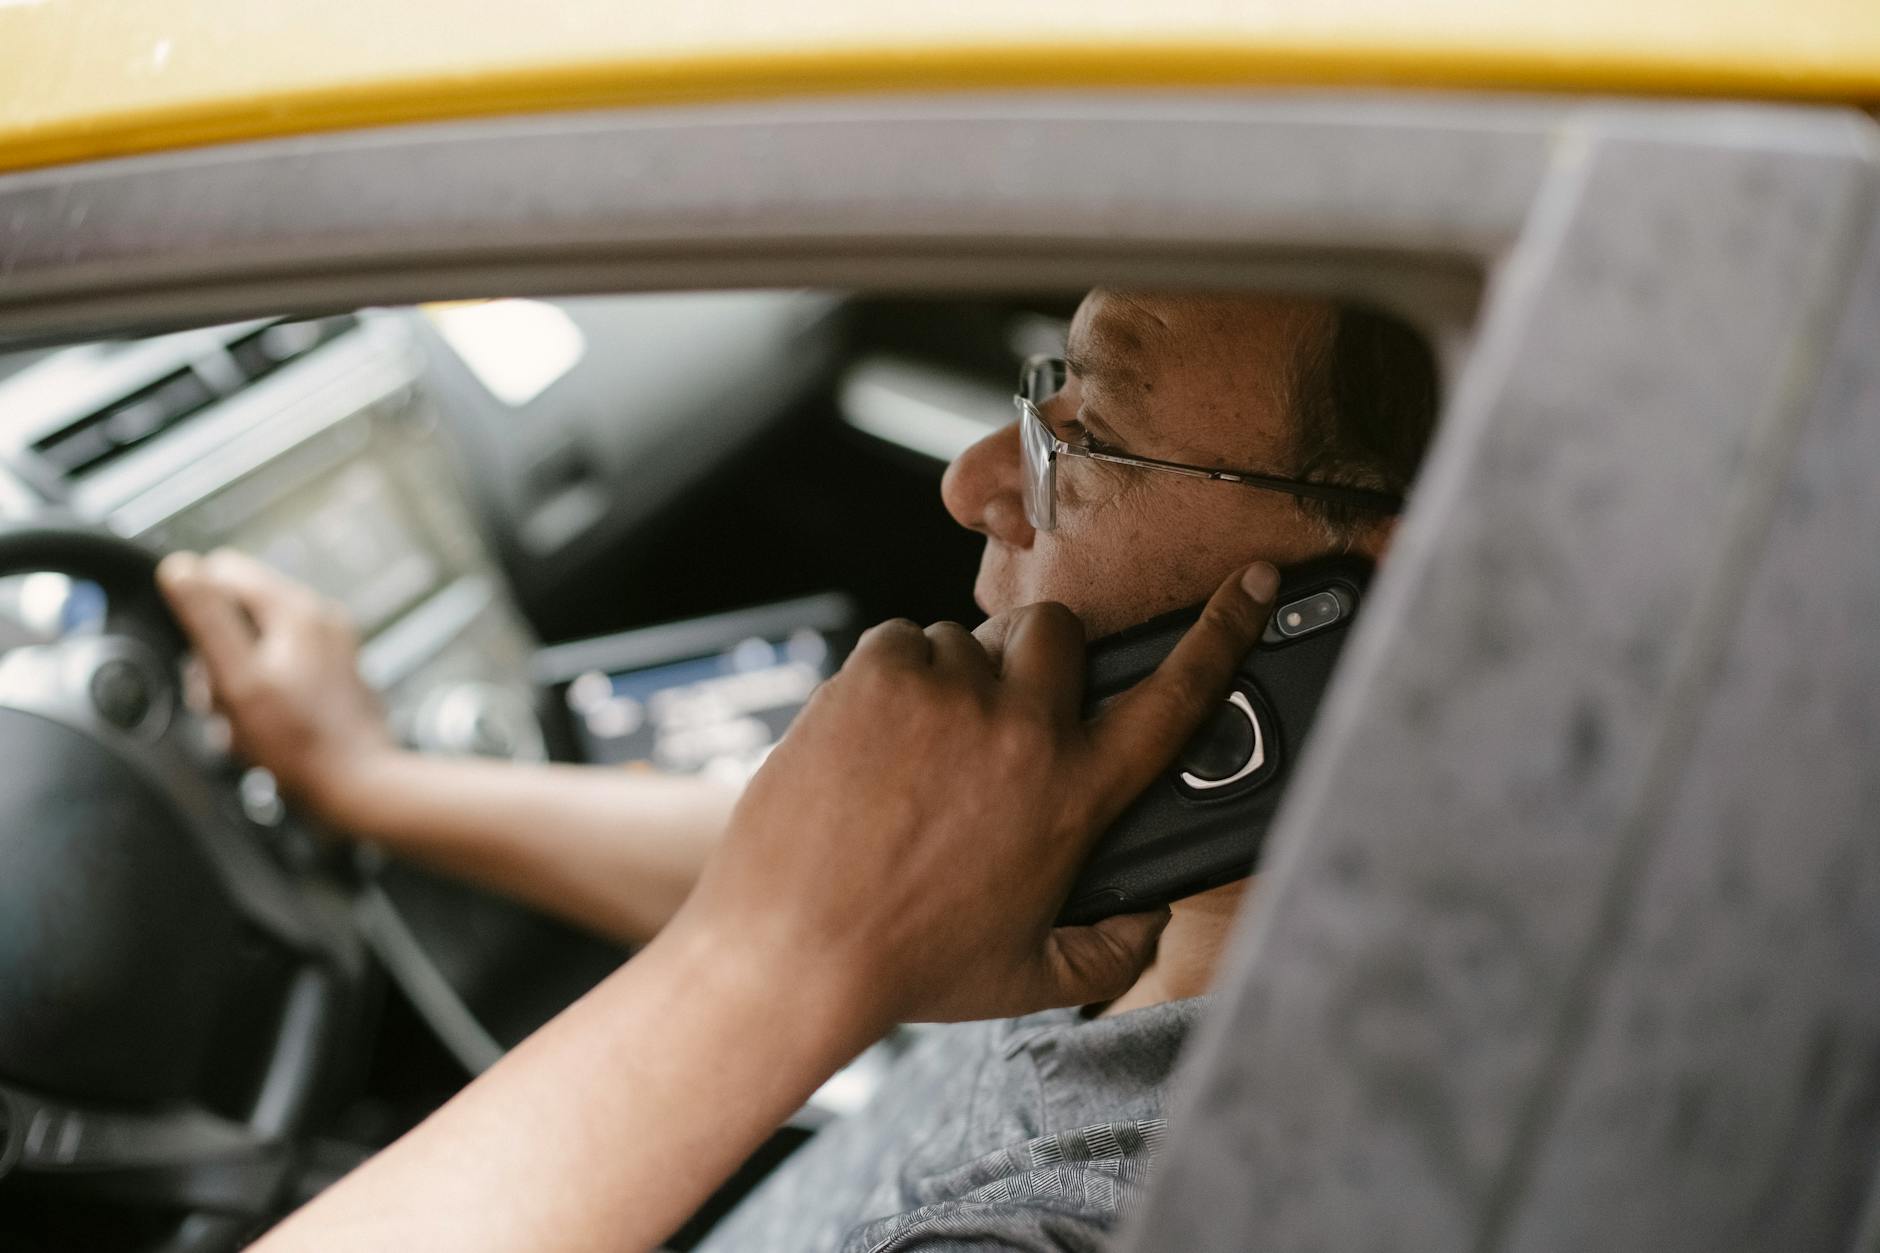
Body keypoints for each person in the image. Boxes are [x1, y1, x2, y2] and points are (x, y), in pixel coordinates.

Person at [157, 289, 1438, 1249]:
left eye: (1090, 430)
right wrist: (377, 783)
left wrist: (771, 963)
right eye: (1040, 389)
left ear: (1387, 601)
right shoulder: (1178, 874)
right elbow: (835, 879)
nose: (974, 480)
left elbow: (811, 912)